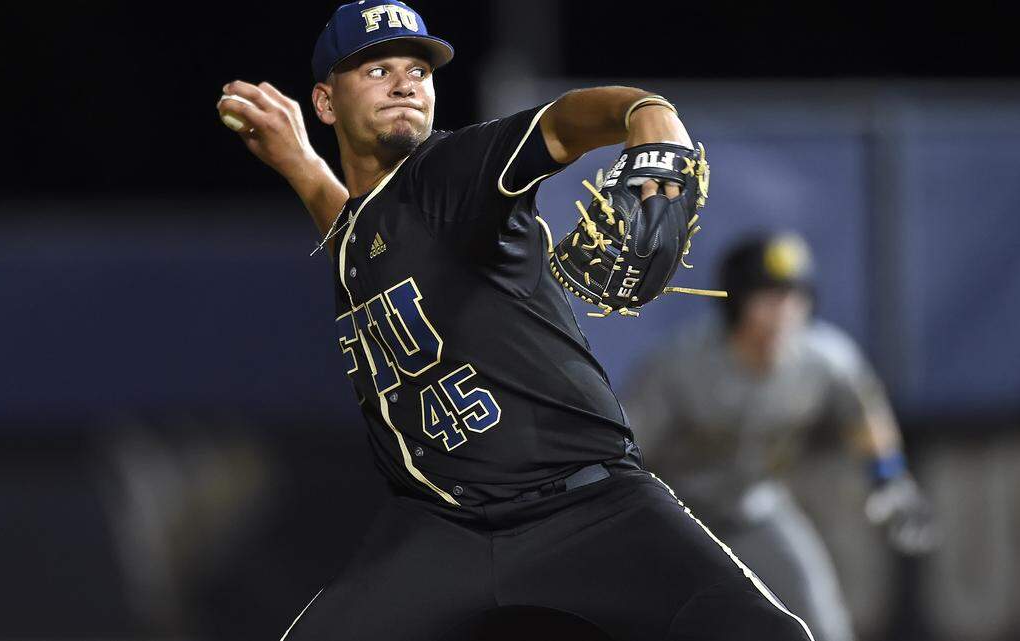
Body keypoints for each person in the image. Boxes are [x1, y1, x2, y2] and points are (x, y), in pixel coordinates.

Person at [216, 2, 814, 639]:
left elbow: (561, 126)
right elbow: (360, 233)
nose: (404, 83)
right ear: (326, 102)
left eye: (418, 70)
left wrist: (645, 110)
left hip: (587, 505)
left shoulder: (451, 172)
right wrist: (301, 165)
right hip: (443, 525)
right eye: (376, 69)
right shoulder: (367, 230)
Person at [624, 232, 937, 641]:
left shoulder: (822, 359)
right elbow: (626, 443)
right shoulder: (682, 363)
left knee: (821, 620)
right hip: (676, 519)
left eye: (795, 298)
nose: (785, 312)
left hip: (755, 509)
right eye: (768, 298)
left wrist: (889, 478)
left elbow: (863, 412)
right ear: (736, 302)